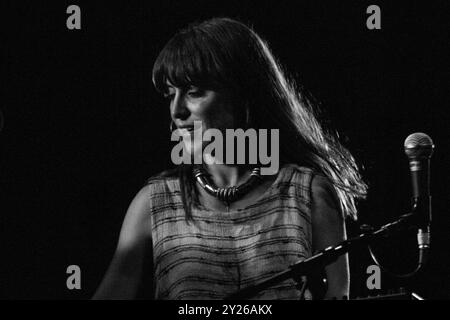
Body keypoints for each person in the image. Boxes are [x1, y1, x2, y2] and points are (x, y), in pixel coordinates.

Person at [93, 17, 367, 300]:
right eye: (170, 94)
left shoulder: (311, 193)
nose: (176, 110)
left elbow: (339, 295)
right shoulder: (152, 204)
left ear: (243, 93)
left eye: (194, 92)